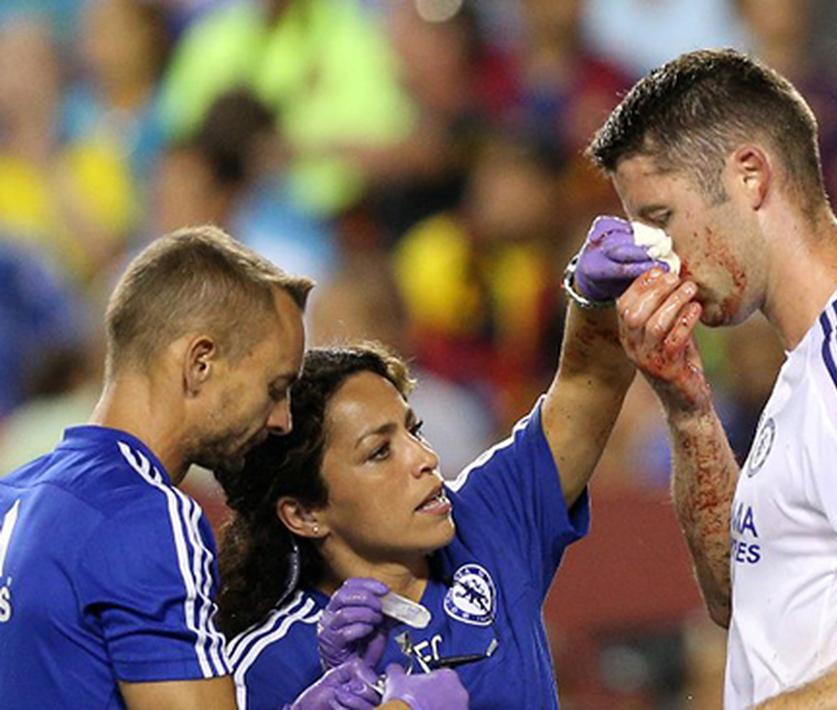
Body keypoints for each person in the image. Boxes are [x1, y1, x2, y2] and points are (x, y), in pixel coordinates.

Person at [586, 49, 837, 709]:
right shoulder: (814, 364)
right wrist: (687, 406)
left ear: (749, 176)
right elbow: (736, 596)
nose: (655, 260)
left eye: (661, 219)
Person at [213, 218, 662, 708]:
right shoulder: (271, 665)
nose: (425, 459)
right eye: (379, 452)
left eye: (414, 430)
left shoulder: (488, 523)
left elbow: (586, 385)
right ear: (304, 513)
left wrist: (591, 298)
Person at [0, 226, 312, 707]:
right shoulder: (147, 516)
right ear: (200, 362)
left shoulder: (12, 496)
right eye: (275, 387)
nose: (283, 420)